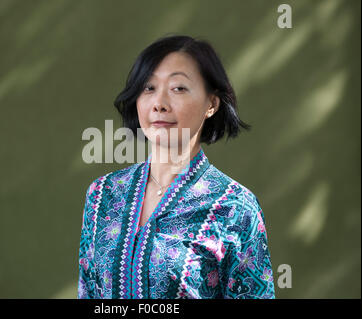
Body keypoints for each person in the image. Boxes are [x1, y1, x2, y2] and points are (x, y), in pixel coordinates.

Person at [77, 34, 275, 299]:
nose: (159, 103)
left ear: (211, 104)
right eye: (148, 88)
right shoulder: (102, 195)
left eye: (178, 88)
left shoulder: (236, 208)